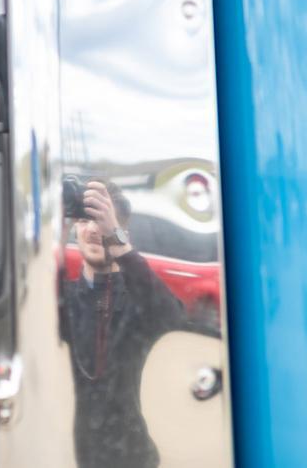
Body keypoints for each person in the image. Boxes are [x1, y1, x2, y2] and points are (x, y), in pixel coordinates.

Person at [59, 179, 182, 468]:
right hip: (66, 452)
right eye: (85, 220)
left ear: (122, 232)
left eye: (101, 221)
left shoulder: (141, 300)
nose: (93, 230)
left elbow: (173, 319)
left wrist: (116, 240)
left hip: (132, 455)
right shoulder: (59, 298)